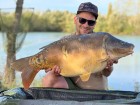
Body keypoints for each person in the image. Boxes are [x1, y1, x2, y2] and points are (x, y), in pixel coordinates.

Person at [42, 2, 118, 90]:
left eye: (91, 22)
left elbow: (107, 73)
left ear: (94, 24)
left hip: (96, 92)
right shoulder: (65, 41)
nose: (86, 25)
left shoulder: (100, 41)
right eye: (82, 20)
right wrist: (54, 70)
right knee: (49, 77)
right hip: (72, 88)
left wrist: (108, 67)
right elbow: (50, 68)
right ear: (75, 19)